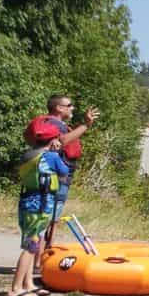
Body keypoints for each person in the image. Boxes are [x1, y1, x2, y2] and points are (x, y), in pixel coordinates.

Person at [24, 95, 99, 245]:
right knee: (51, 220)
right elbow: (62, 141)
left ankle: (36, 260)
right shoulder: (54, 124)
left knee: (46, 219)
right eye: (69, 105)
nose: (73, 108)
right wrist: (86, 125)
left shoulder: (46, 123)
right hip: (56, 178)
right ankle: (40, 262)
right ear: (59, 108)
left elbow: (28, 138)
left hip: (48, 175)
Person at [9, 137, 72, 296]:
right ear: (52, 141)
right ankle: (16, 288)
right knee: (31, 246)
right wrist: (56, 152)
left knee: (32, 244)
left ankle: (28, 284)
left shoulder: (29, 155)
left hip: (27, 203)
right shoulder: (50, 156)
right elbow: (65, 171)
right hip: (40, 205)